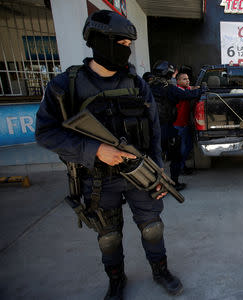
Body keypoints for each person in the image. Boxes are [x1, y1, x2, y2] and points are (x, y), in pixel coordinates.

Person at [35, 10, 183, 299]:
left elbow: (153, 130)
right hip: (97, 177)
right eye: (122, 44)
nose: (126, 51)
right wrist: (95, 150)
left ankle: (160, 270)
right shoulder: (66, 85)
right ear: (100, 42)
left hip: (139, 171)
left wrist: (158, 168)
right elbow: (45, 133)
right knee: (109, 235)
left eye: (129, 45)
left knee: (152, 227)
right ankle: (116, 280)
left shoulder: (137, 84)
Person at [148, 61, 205, 190]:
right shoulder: (170, 88)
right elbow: (187, 95)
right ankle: (174, 183)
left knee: (155, 157)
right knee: (176, 156)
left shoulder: (148, 87)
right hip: (168, 127)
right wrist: (202, 89)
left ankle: (153, 184)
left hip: (151, 128)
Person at [174, 72, 200, 175]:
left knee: (188, 146)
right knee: (182, 148)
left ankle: (182, 165)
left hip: (185, 124)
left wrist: (196, 87)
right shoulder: (177, 91)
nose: (187, 80)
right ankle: (180, 168)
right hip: (178, 125)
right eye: (184, 79)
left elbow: (191, 88)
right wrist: (199, 90)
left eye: (188, 78)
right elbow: (190, 94)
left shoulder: (185, 89)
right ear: (178, 81)